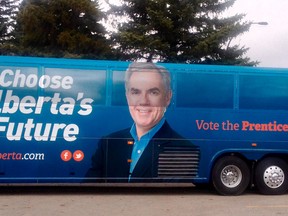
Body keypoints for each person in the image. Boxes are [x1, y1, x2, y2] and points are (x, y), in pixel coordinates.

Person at [85, 62, 199, 183]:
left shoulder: (184, 150)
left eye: (153, 92)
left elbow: (168, 194)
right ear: (127, 96)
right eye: (136, 92)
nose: (143, 101)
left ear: (167, 97)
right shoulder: (108, 143)